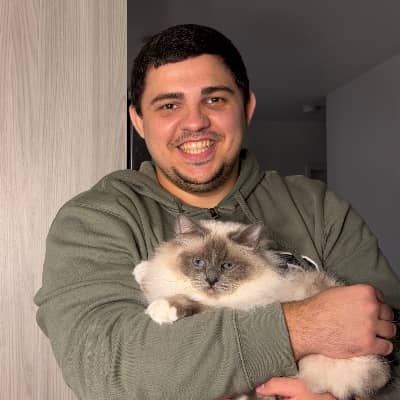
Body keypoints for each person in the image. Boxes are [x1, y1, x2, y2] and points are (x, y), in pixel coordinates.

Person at [34, 24, 399, 400]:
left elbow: (395, 354)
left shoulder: (319, 208)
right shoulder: (96, 218)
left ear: (247, 108)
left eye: (214, 100)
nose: (194, 122)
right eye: (169, 105)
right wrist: (301, 326)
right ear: (138, 120)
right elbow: (105, 368)